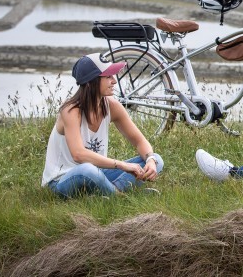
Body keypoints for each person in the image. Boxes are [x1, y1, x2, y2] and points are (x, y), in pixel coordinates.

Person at [41, 53, 164, 198]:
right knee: (87, 170)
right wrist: (121, 164)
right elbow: (78, 154)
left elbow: (139, 141)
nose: (114, 81)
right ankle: (123, 197)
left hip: (97, 174)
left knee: (157, 159)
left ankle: (108, 193)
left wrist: (150, 160)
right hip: (61, 182)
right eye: (108, 77)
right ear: (90, 81)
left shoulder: (111, 105)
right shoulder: (71, 110)